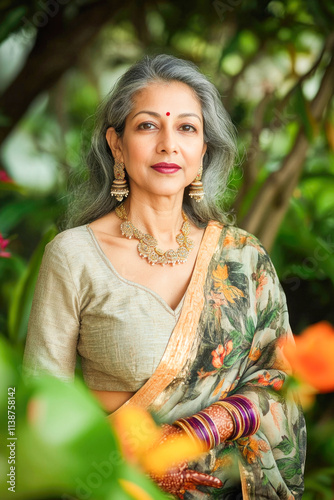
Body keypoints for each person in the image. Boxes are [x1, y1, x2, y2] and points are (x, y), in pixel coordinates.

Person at [23, 54, 306, 499]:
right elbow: (36, 404)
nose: (168, 144)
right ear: (116, 145)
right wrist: (140, 459)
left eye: (187, 128)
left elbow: (280, 379)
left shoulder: (243, 257)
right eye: (148, 126)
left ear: (203, 151)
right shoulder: (74, 255)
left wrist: (196, 432)